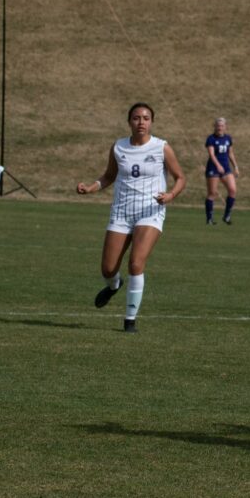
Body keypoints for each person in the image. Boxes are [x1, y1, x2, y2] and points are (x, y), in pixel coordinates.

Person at [76, 102, 186, 333]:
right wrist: (90, 187)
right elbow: (108, 176)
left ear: (152, 122)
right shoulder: (118, 147)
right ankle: (114, 285)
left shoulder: (161, 147)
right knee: (107, 269)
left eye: (146, 118)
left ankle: (129, 320)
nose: (141, 122)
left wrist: (170, 195)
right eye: (136, 118)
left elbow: (180, 177)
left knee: (136, 263)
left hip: (150, 212)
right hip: (122, 212)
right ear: (129, 122)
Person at [204, 117, 240, 225]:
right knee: (212, 193)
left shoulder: (228, 138)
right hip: (213, 168)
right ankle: (209, 218)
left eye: (222, 126)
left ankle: (227, 216)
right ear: (214, 126)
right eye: (218, 126)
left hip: (226, 168)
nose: (220, 128)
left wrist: (236, 167)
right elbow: (211, 154)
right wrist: (218, 165)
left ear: (225, 127)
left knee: (233, 190)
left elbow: (230, 153)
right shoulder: (211, 138)